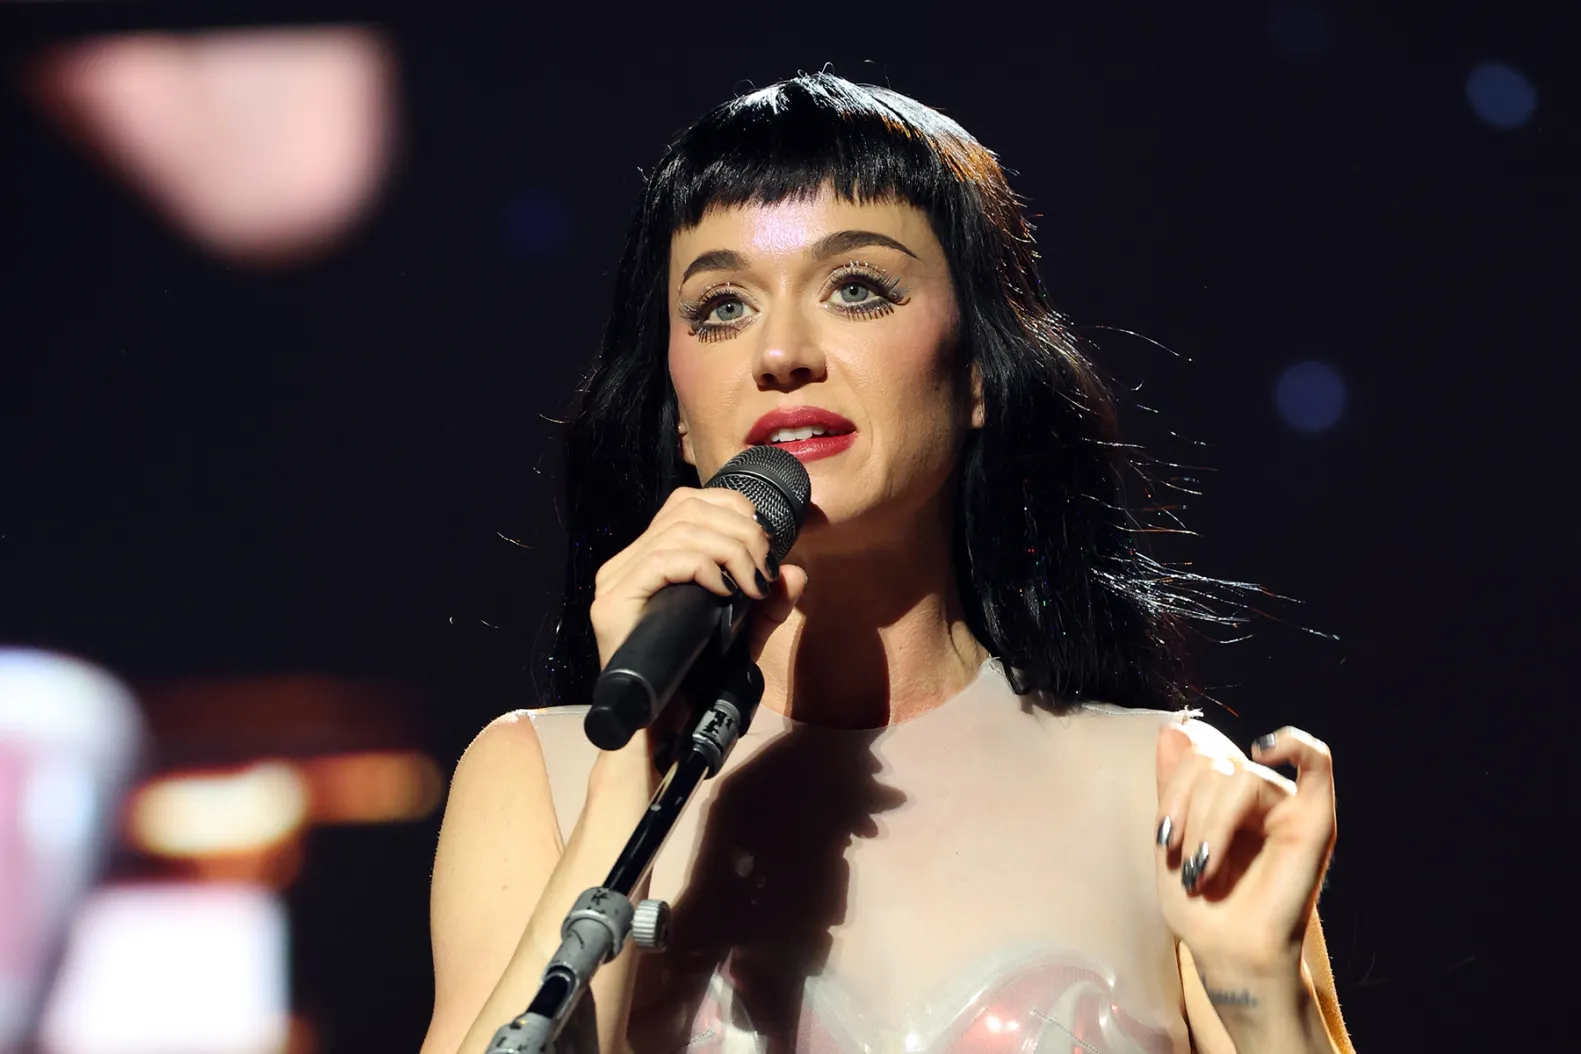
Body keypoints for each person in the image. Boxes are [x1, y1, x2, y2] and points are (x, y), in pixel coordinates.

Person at [421, 73, 1356, 1054]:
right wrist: (627, 774)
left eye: (856, 288)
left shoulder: (1165, 792)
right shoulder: (541, 778)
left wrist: (1261, 989)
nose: (781, 353)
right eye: (722, 306)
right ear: (678, 413)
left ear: (980, 369)